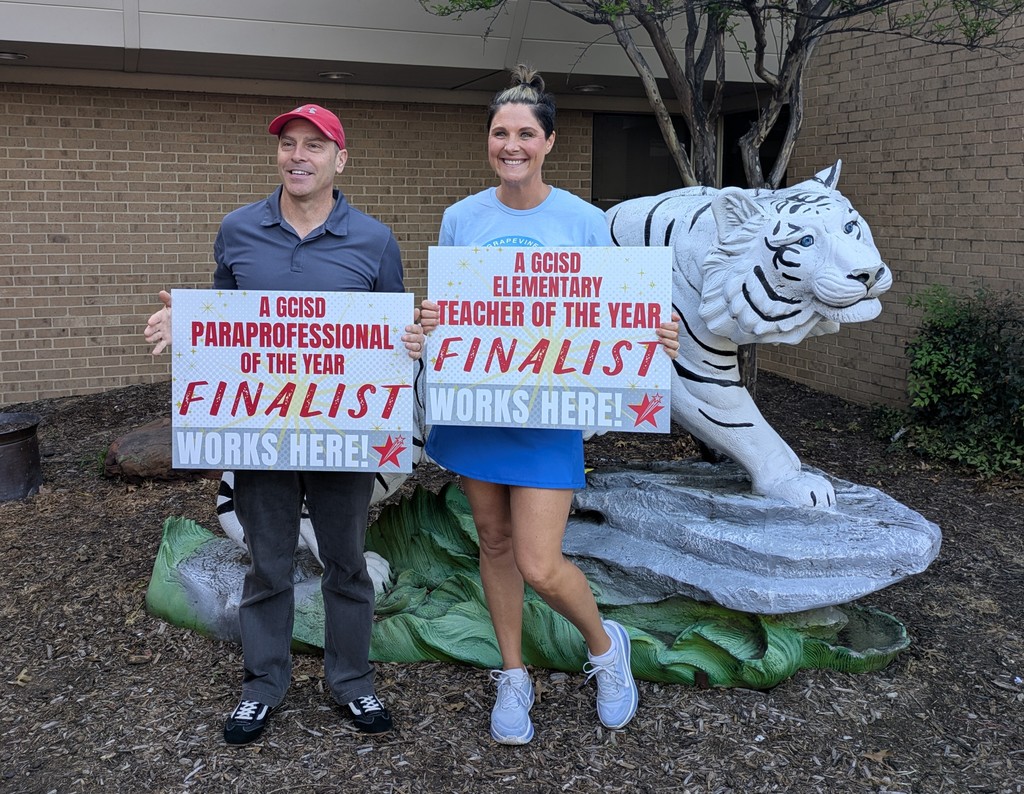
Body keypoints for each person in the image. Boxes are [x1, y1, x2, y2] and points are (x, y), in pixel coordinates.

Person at [144, 103, 430, 745]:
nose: (298, 156)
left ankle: (352, 683)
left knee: (347, 563)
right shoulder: (239, 229)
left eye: (314, 146)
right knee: (267, 565)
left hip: (344, 434)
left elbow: (388, 335)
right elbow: (222, 322)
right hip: (261, 432)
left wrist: (409, 339)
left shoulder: (375, 240)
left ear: (340, 159)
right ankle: (262, 686)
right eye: (288, 145)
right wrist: (183, 324)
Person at [421, 67, 680, 745]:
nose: (512, 144)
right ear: (488, 141)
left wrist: (655, 334)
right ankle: (513, 675)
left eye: (525, 133)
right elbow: (451, 314)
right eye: (500, 132)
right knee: (496, 543)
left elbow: (614, 311)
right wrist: (429, 324)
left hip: (545, 412)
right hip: (478, 408)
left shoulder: (584, 221)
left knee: (540, 561)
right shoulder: (461, 217)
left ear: (549, 142)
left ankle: (604, 648)